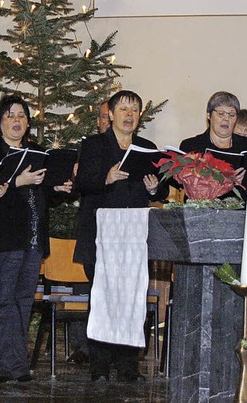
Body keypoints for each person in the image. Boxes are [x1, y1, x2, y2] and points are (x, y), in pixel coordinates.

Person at [74, 90, 168, 382]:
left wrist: (154, 188)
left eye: (135, 109)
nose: (130, 114)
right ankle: (99, 364)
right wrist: (106, 178)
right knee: (102, 297)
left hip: (134, 234)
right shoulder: (93, 145)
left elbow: (162, 189)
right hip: (100, 233)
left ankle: (129, 365)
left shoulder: (146, 147)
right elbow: (83, 184)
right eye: (124, 109)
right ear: (111, 114)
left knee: (132, 298)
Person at [0, 95, 72, 383]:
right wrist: (17, 182)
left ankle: (17, 365)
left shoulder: (37, 152)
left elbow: (41, 193)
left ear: (28, 122)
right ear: (0, 121)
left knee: (22, 302)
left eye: (21, 116)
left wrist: (57, 186)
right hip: (1, 238)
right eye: (10, 115)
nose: (16, 120)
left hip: (32, 240)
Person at [180, 92, 247, 198]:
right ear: (209, 115)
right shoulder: (191, 146)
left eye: (231, 115)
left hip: (240, 211)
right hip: (200, 211)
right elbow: (183, 184)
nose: (226, 119)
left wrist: (245, 182)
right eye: (221, 113)